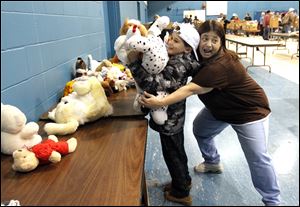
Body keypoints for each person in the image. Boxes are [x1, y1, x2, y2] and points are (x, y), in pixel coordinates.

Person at [140, 20, 281, 206]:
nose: (208, 44)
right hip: (220, 109)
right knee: (201, 129)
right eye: (204, 38)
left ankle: (273, 201)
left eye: (214, 40)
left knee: (257, 158)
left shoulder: (221, 65)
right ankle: (213, 162)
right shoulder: (198, 54)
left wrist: (160, 101)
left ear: (222, 42)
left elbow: (189, 89)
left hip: (248, 112)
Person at [127, 23, 201, 206]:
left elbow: (153, 85)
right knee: (178, 151)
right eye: (171, 37)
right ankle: (183, 180)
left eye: (176, 41)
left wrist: (134, 64)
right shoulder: (180, 59)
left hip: (170, 121)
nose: (169, 40)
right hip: (175, 117)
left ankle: (181, 192)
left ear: (187, 48)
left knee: (172, 154)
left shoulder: (178, 64)